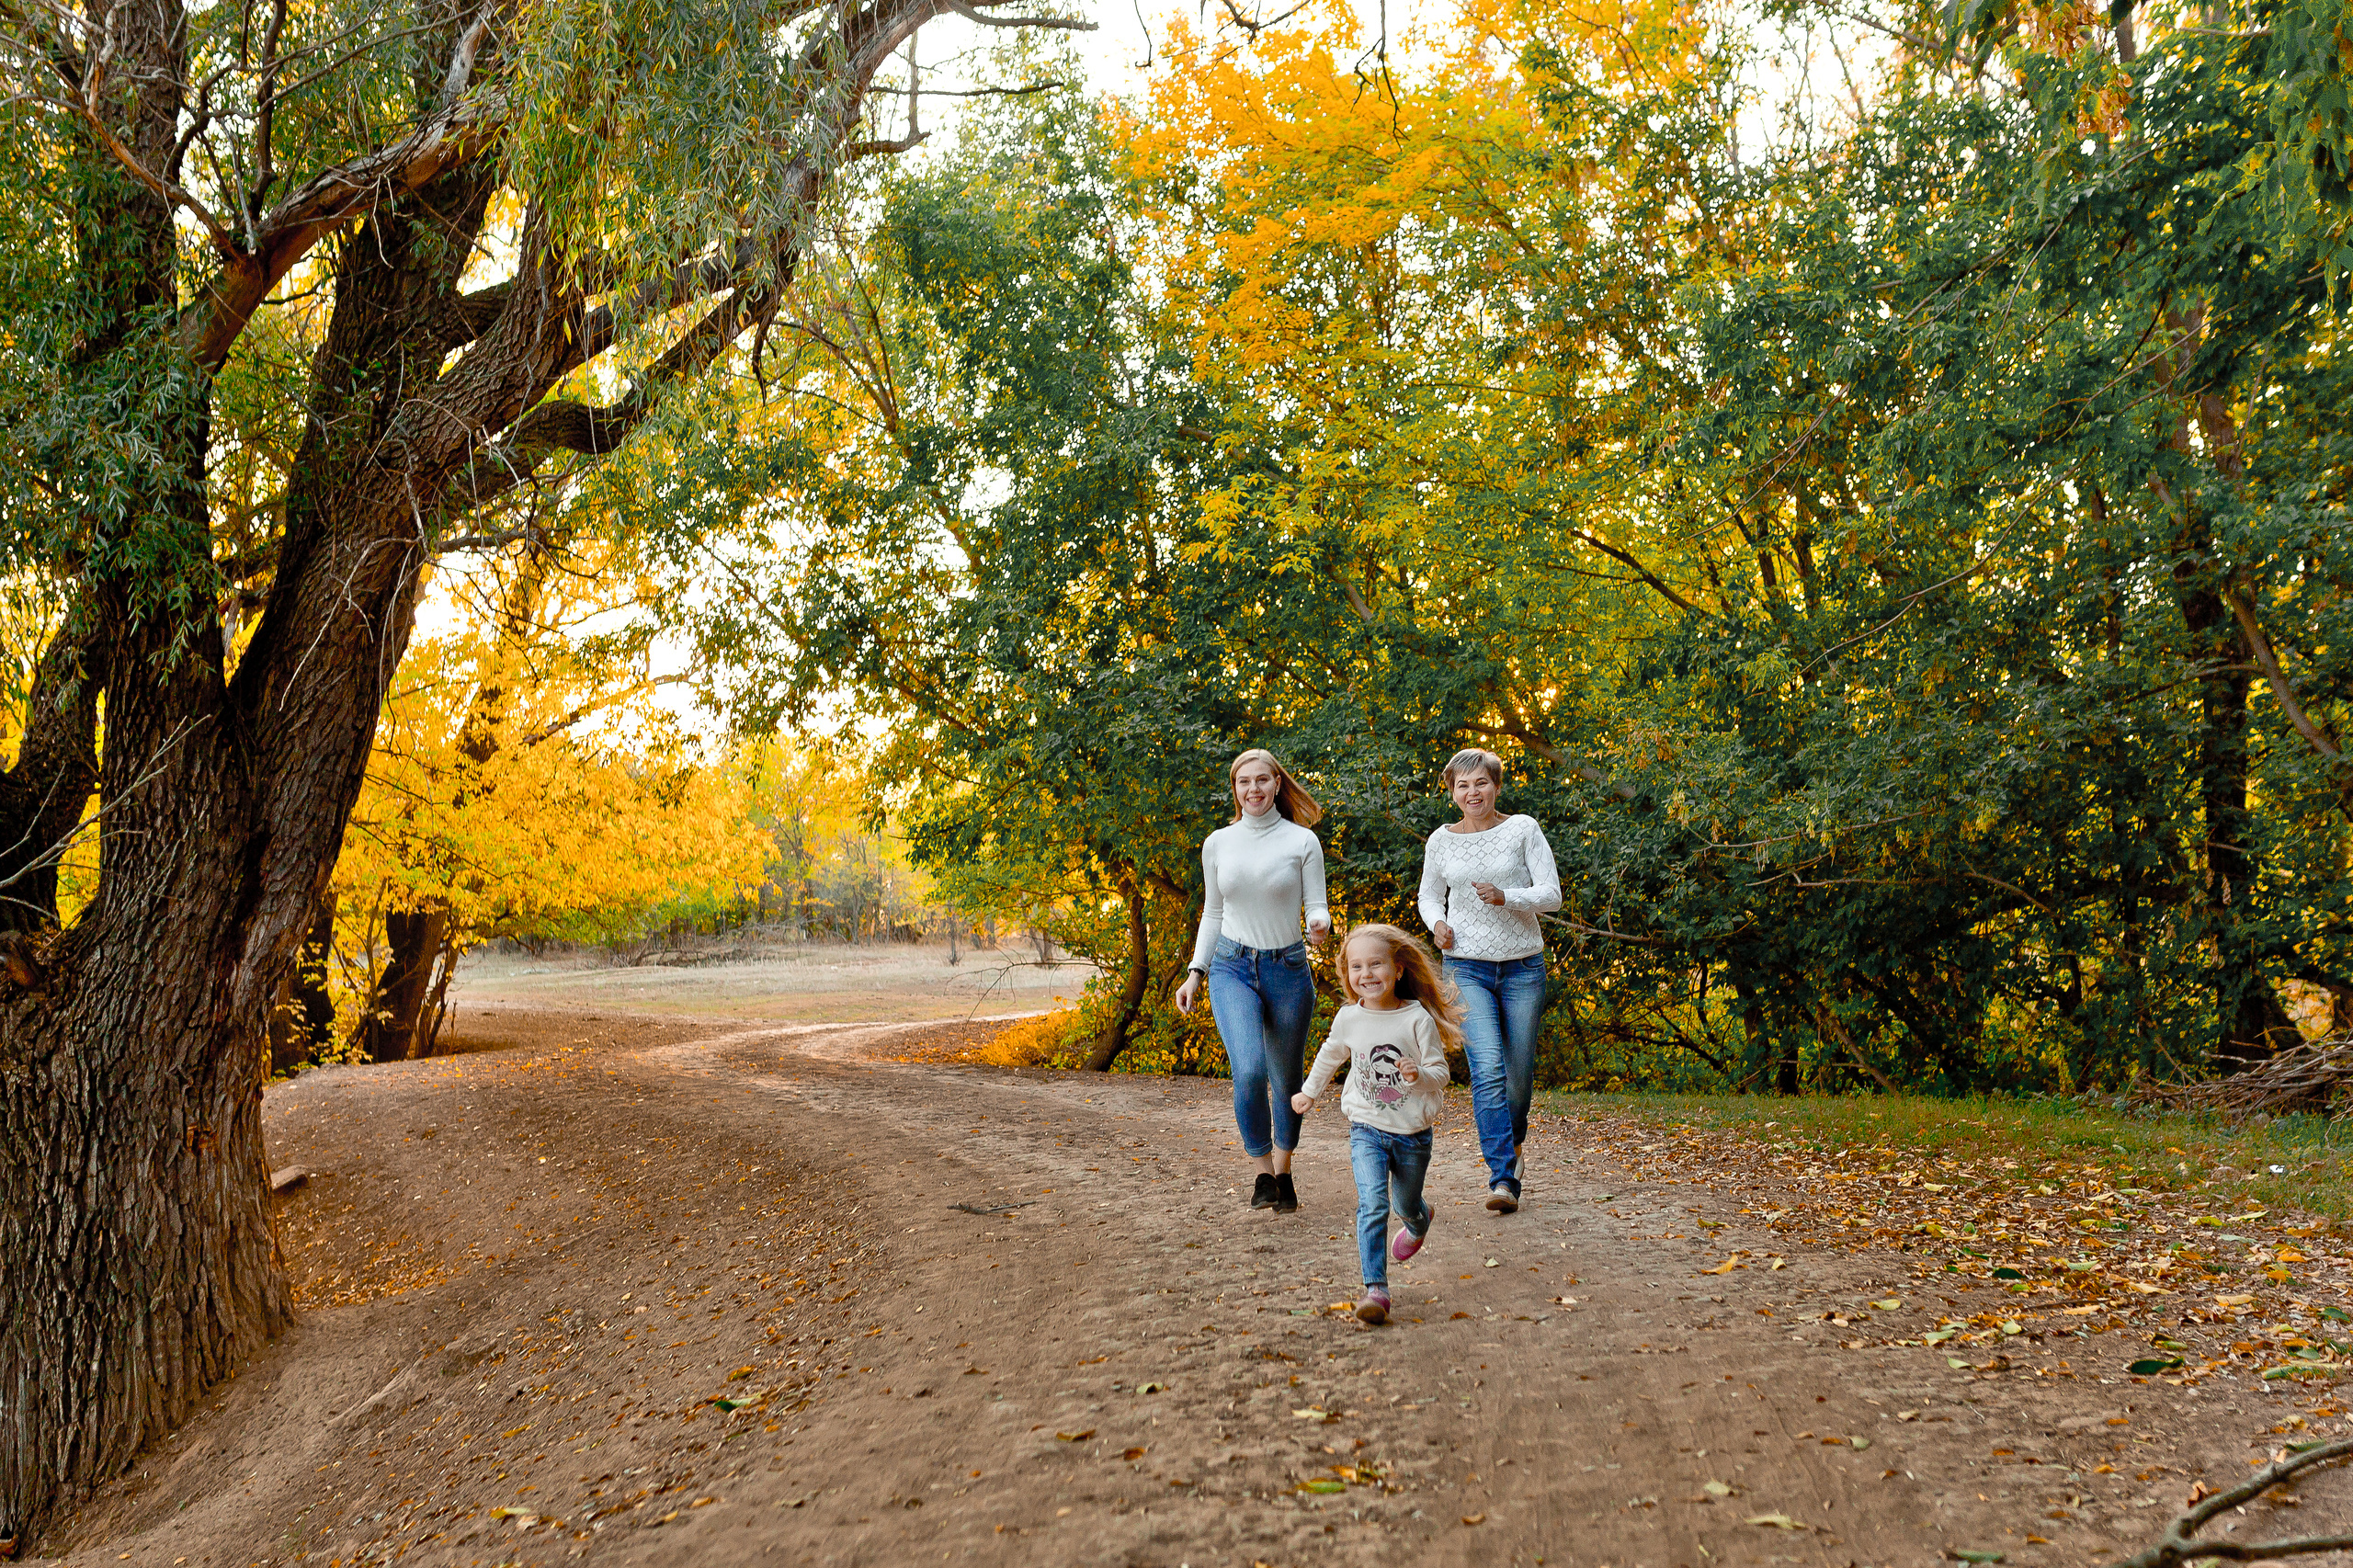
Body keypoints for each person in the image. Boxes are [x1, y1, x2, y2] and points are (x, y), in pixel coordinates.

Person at [1174, 748, 1330, 1212]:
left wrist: (1319, 924)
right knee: (1248, 1071)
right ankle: (1262, 1173)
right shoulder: (1219, 842)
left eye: (1263, 780)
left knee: (1286, 1080)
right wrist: (1195, 972)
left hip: (1287, 969)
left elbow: (1316, 903)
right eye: (1244, 782)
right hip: (1230, 967)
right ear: (1235, 788)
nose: (1254, 789)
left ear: (1277, 785)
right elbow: (1213, 912)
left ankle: (1284, 1171)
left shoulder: (1302, 842)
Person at [1290, 924, 1459, 1324]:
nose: (1366, 974)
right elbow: (1330, 1055)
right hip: (1366, 1128)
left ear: (1398, 969)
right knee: (1373, 1203)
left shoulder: (1416, 1019)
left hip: (1412, 1134)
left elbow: (1441, 1071)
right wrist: (1309, 1092)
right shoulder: (1350, 1017)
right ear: (1347, 974)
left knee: (1404, 1204)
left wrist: (1419, 1074)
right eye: (1356, 966)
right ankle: (1376, 1289)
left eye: (1376, 964)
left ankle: (1419, 1220)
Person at [1417, 747, 1559, 1214]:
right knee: (1488, 1068)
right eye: (1463, 784)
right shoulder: (1441, 840)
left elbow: (1552, 896)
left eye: (1481, 782)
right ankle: (1502, 1177)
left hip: (1522, 967)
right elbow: (1429, 897)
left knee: (1518, 1076)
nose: (1472, 792)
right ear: (1451, 791)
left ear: (1496, 785)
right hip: (1465, 967)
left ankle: (1513, 1151)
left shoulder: (1522, 829)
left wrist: (1506, 897)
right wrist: (1436, 923)